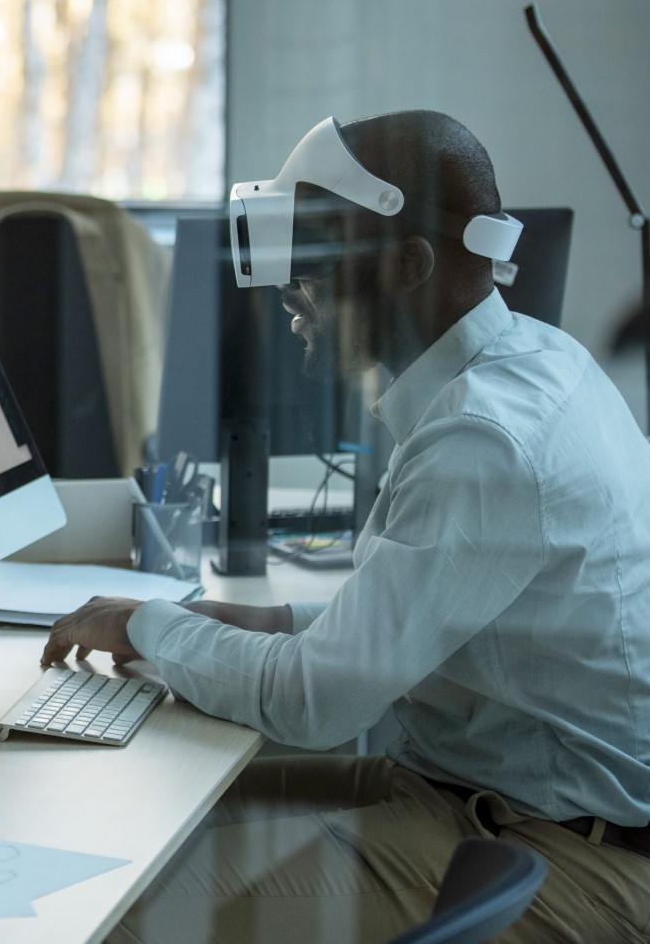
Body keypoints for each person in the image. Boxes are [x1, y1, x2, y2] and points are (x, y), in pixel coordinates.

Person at [43, 111, 650, 942]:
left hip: (557, 850)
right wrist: (275, 620)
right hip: (473, 799)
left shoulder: (484, 438)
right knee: (127, 836)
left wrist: (147, 625)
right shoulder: (527, 365)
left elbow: (316, 701)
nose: (293, 283)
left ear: (409, 265)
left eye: (317, 252)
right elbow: (425, 617)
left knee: (125, 913)